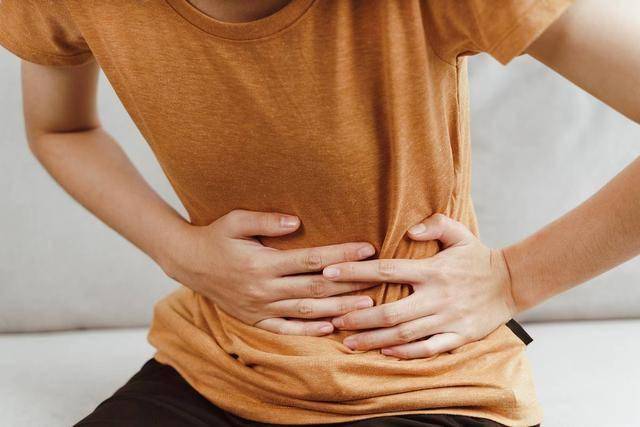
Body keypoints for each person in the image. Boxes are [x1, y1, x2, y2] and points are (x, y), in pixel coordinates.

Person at [1, 0, 639, 426]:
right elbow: (60, 129)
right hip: (215, 370)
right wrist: (178, 250)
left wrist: (513, 278)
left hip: (426, 389)